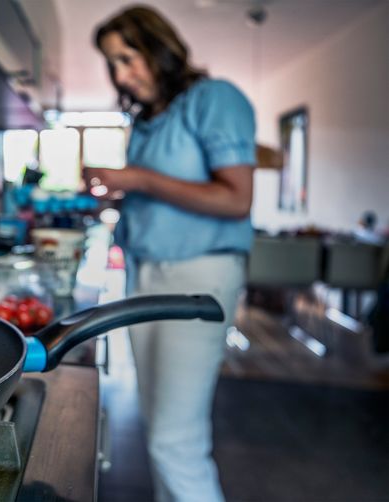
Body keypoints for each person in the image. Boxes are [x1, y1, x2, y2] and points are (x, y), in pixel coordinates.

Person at [85, 5, 255, 502]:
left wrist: (137, 179)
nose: (121, 73)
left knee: (173, 439)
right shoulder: (148, 122)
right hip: (145, 273)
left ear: (159, 46)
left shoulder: (215, 99)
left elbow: (236, 199)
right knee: (158, 423)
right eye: (112, 63)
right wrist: (121, 197)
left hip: (198, 278)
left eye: (128, 57)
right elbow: (162, 197)